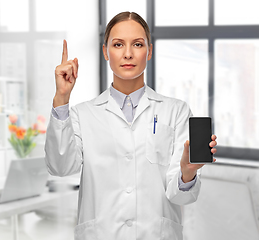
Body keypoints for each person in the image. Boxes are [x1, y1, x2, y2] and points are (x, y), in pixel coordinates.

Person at [44, 11, 217, 240]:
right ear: (106, 51)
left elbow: (181, 197)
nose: (127, 54)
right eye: (117, 44)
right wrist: (62, 99)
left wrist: (187, 173)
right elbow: (60, 167)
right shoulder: (81, 114)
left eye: (137, 44)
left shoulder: (175, 111)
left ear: (150, 51)